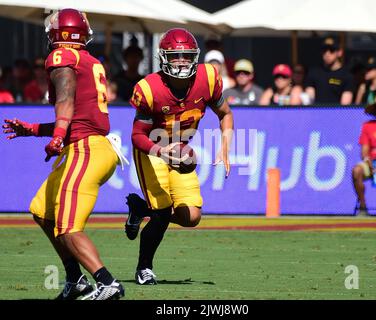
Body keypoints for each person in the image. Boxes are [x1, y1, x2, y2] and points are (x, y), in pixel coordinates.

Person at [2, 8, 124, 300]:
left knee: (68, 227)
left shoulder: (61, 56)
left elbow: (66, 102)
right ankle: (75, 279)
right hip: (87, 145)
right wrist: (32, 129)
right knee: (43, 212)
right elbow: (79, 117)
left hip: (85, 149)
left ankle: (107, 282)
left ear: (57, 35)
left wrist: (57, 136)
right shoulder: (90, 61)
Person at [125, 28, 233, 285]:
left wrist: (225, 145)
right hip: (153, 150)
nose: (182, 61)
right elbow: (137, 135)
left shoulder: (208, 77)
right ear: (164, 58)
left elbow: (225, 114)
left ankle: (141, 208)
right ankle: (144, 268)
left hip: (181, 151)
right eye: (175, 56)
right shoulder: (149, 88)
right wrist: (162, 151)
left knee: (191, 217)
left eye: (186, 56)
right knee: (162, 213)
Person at [305, 37, 354, 105]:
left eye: (331, 50)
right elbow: (309, 100)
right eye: (324, 50)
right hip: (316, 113)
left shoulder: (347, 76)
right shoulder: (313, 73)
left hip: (337, 114)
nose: (327, 54)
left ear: (340, 53)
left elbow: (344, 106)